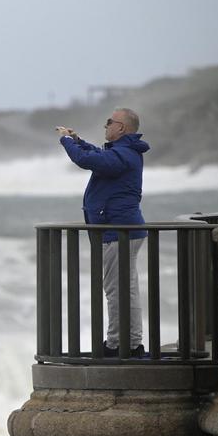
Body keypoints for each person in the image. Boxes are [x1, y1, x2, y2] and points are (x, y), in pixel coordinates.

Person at [56, 108, 150, 358]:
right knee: (125, 289)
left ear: (122, 128)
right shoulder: (123, 153)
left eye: (109, 122)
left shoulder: (123, 155)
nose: (105, 126)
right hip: (122, 229)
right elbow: (96, 154)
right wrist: (78, 141)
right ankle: (131, 344)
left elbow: (88, 160)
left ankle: (116, 345)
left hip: (119, 230)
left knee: (116, 290)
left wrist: (66, 142)